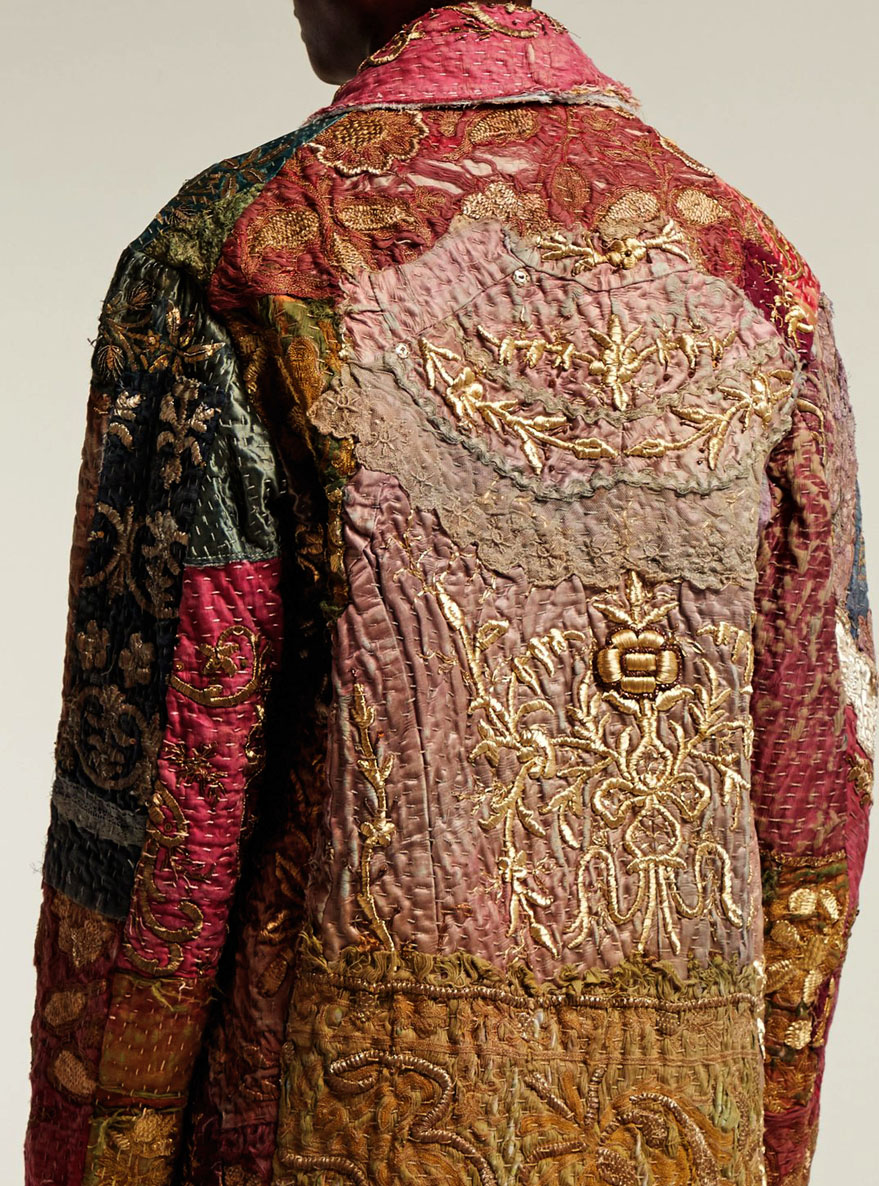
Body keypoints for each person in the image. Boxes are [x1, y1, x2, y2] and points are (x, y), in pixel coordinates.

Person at [23, 2, 876, 1184]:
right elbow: (816, 785)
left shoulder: (243, 253)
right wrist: (769, 1144)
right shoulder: (755, 269)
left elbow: (160, 795)